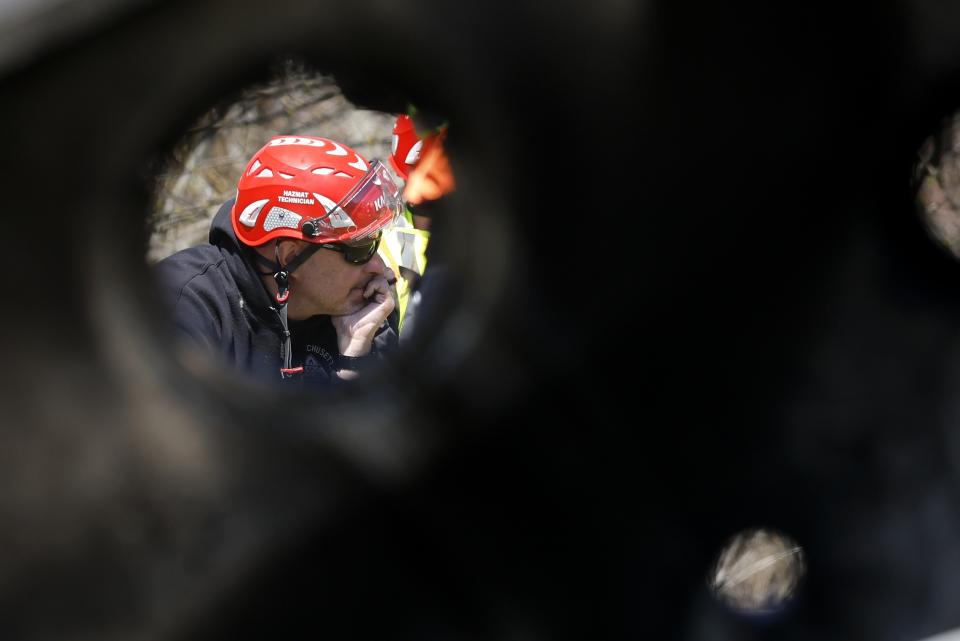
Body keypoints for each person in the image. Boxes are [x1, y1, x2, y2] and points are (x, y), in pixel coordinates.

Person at [154, 135, 404, 388]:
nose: (379, 266)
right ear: (290, 256)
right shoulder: (181, 306)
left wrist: (354, 359)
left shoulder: (365, 313)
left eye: (377, 241)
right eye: (360, 249)